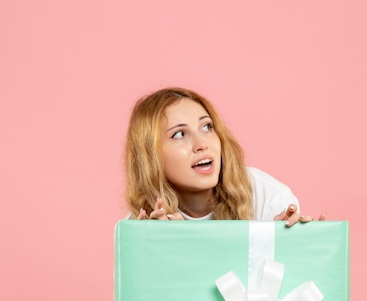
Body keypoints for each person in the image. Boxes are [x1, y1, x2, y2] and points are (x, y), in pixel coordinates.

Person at [124, 87, 325, 226]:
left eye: (207, 127)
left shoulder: (266, 196)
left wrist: (299, 246)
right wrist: (159, 251)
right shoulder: (140, 225)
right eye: (179, 134)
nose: (202, 144)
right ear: (151, 157)